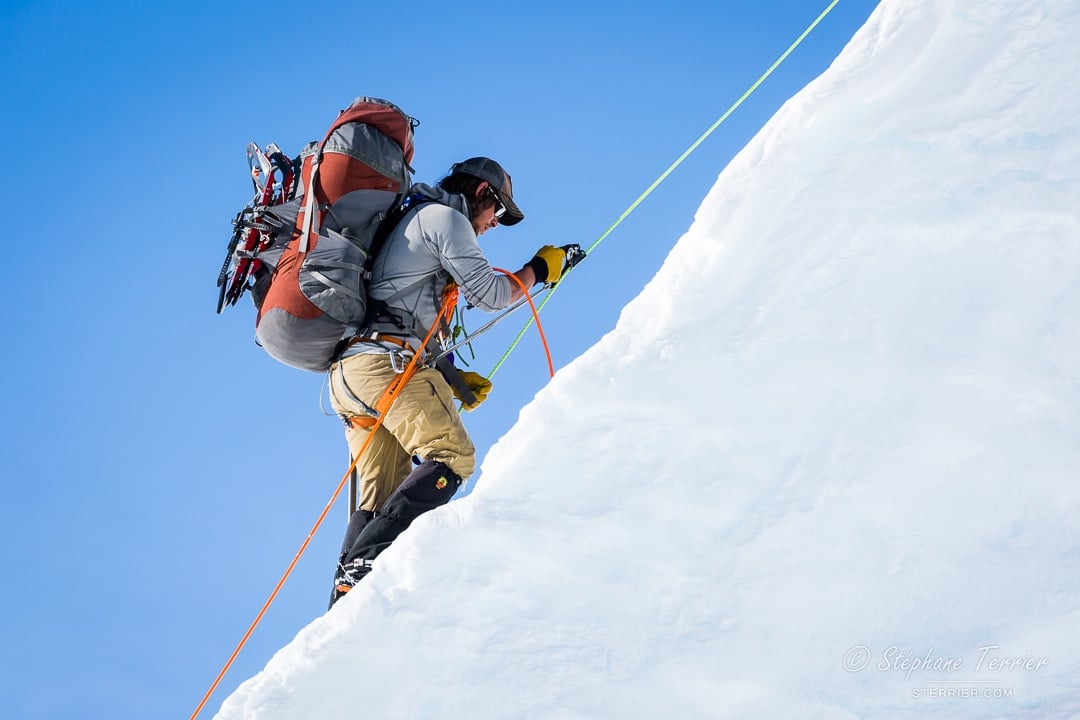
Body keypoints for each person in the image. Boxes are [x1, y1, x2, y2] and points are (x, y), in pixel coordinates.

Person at [327, 157, 572, 607]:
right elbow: (493, 295)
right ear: (481, 192)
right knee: (453, 457)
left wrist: (454, 379)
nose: (495, 224)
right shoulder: (445, 218)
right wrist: (541, 267)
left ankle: (344, 598)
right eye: (496, 212)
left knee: (379, 499)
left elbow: (411, 313)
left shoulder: (414, 221)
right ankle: (366, 564)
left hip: (353, 375)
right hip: (388, 369)